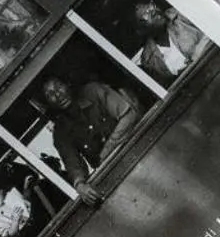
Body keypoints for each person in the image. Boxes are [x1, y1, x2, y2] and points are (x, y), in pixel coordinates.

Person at [39, 76, 142, 204]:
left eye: (58, 86)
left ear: (67, 84)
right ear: (48, 103)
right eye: (50, 94)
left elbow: (128, 115)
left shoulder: (92, 91)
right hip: (116, 173)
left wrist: (107, 151)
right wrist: (80, 185)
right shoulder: (61, 132)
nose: (58, 95)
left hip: (140, 147)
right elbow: (73, 164)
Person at [133, 0, 208, 85]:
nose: (152, 11)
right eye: (145, 15)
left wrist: (196, 54)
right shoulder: (149, 60)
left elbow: (211, 27)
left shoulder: (178, 15)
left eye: (151, 6)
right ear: (141, 30)